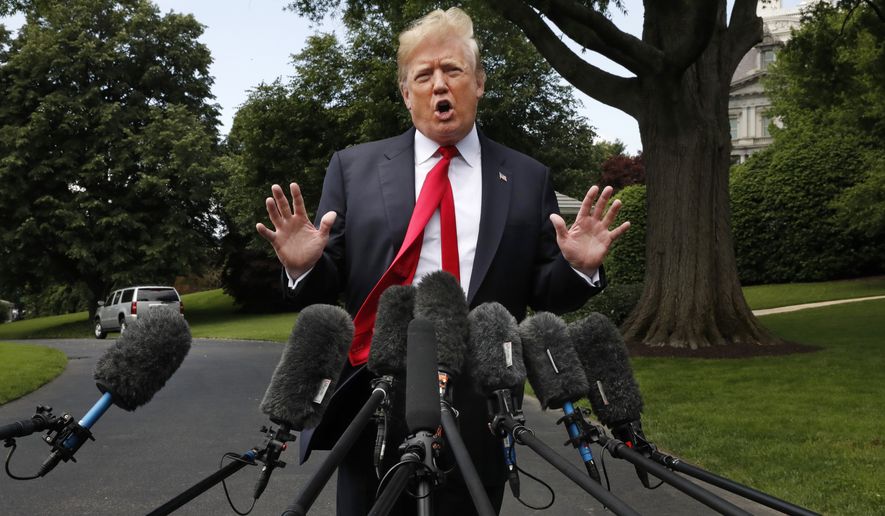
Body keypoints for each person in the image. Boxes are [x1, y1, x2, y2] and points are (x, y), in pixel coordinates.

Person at [256, 7, 630, 515]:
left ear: (478, 82)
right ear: (406, 93)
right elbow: (331, 279)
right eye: (423, 75)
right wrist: (302, 265)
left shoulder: (527, 177)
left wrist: (579, 268)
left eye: (452, 71)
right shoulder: (353, 169)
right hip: (376, 394)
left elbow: (544, 293)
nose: (439, 86)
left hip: (483, 402)